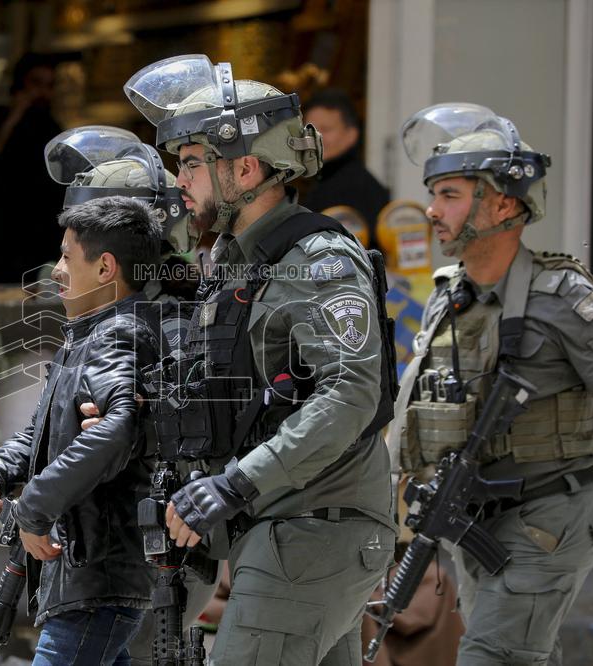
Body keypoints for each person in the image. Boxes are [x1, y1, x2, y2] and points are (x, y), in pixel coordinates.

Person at [118, 55, 399, 665]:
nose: (179, 180)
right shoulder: (236, 262)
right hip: (281, 527)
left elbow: (349, 394)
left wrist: (237, 481)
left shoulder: (315, 259)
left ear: (244, 168)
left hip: (311, 528)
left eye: (191, 163)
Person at [394, 102, 593, 664]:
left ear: (503, 202)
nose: (431, 210)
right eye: (434, 194)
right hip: (474, 523)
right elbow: (418, 408)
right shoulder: (451, 296)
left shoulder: (562, 297)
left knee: (492, 656)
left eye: (449, 194)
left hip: (545, 522)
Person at [0, 196, 164, 665]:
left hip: (97, 575)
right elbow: (40, 434)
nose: (55, 270)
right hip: (88, 576)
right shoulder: (89, 334)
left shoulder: (119, 334)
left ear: (105, 267)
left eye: (67, 257)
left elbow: (116, 429)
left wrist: (33, 508)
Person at [43, 125, 217, 663]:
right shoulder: (112, 317)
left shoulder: (181, 319)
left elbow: (172, 433)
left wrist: (129, 424)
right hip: (106, 553)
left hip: (148, 560)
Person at [0, 53, 64, 285]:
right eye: (36, 83)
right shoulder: (1, 117)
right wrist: (17, 111)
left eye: (49, 85)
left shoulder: (51, 127)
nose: (42, 92)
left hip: (41, 232)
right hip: (5, 230)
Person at [301, 88, 390, 245]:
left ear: (351, 135)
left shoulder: (353, 186)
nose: (315, 138)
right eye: (308, 130)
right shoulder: (326, 179)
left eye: (326, 129)